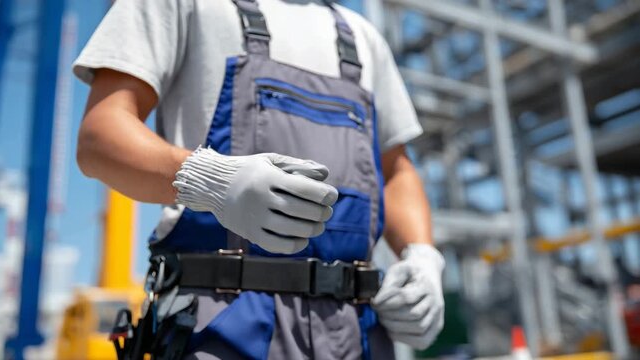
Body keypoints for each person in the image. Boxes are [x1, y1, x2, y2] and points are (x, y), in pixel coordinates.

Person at [73, 0, 445, 359]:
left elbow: (396, 170)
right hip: (220, 325)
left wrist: (423, 257)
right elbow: (99, 138)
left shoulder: (363, 36)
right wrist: (214, 181)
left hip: (356, 332)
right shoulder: (180, 5)